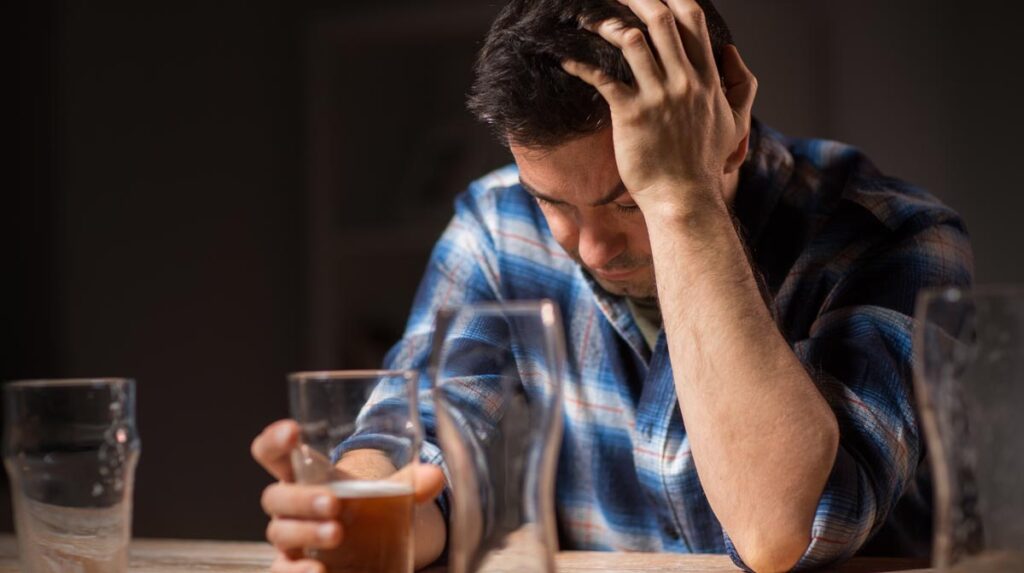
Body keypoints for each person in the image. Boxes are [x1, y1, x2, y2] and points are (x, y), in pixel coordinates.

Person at [251, 0, 973, 571]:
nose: (591, 247)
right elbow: (419, 442)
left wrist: (681, 199)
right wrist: (356, 512)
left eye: (629, 199)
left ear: (732, 129)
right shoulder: (499, 224)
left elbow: (782, 529)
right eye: (555, 203)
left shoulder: (895, 236)